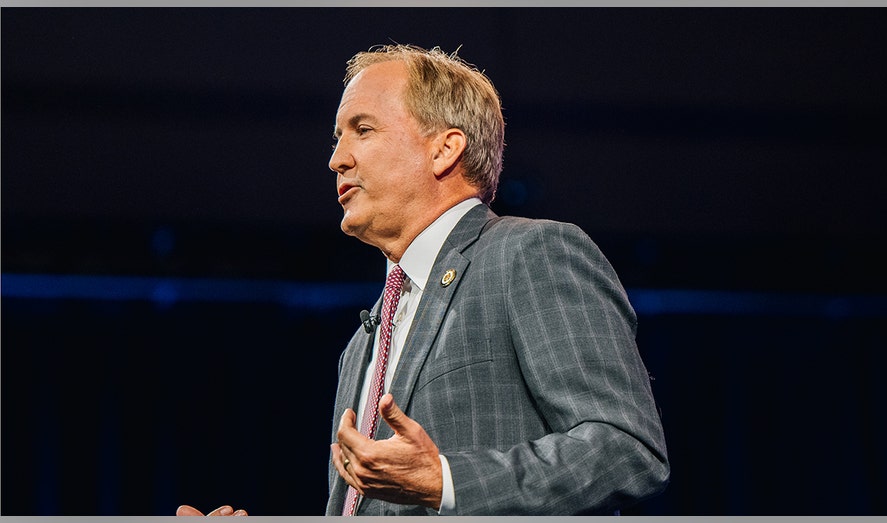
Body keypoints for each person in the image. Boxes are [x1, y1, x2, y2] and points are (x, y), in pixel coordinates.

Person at [178, 43, 669, 517]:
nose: (337, 160)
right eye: (337, 137)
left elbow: (624, 449)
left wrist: (445, 481)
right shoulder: (361, 346)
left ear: (444, 150)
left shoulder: (527, 253)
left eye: (362, 130)